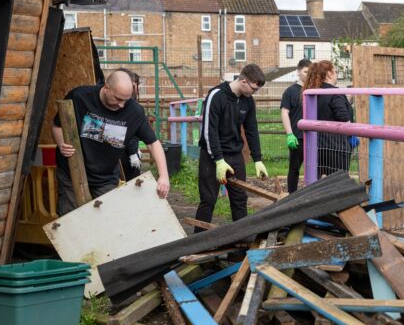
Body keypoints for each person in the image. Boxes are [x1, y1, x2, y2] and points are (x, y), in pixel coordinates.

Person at [52, 68, 170, 216]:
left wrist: (164, 176)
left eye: (126, 100)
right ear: (106, 88)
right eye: (118, 99)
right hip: (71, 173)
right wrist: (62, 143)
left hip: (105, 177)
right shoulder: (80, 97)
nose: (121, 105)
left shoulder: (134, 111)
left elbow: (153, 143)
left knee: (108, 220)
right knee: (71, 221)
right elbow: (57, 125)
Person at [194, 64, 269, 231]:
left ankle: (239, 247)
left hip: (235, 156)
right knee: (208, 200)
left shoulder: (248, 101)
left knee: (239, 200)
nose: (254, 93)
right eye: (254, 89)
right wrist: (218, 160)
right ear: (243, 81)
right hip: (212, 156)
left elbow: (251, 130)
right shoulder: (217, 95)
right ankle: (198, 245)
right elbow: (209, 130)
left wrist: (258, 159)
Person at [302, 60, 354, 178]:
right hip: (336, 147)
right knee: (338, 183)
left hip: (316, 146)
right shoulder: (335, 92)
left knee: (315, 183)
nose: (336, 74)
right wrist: (352, 131)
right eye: (335, 71)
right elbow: (343, 117)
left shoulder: (312, 93)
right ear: (329, 73)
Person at [280, 59, 311, 193]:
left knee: (315, 168)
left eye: (310, 72)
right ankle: (292, 196)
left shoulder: (314, 90)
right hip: (297, 137)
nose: (307, 74)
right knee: (294, 169)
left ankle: (312, 195)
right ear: (298, 72)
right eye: (305, 71)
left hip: (314, 136)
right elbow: (284, 112)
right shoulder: (290, 91)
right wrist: (289, 134)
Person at [120, 72, 143, 181]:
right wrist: (133, 152)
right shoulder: (129, 104)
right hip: (125, 152)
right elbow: (130, 131)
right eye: (137, 85)